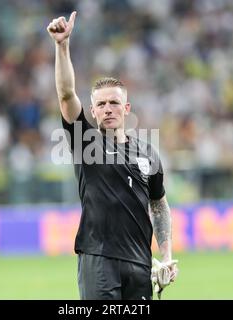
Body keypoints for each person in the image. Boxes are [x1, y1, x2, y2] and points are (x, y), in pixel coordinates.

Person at [47, 11, 178, 300]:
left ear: (126, 108)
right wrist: (62, 45)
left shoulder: (148, 152)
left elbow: (158, 205)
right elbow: (67, 94)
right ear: (92, 111)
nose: (108, 108)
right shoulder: (85, 141)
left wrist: (166, 257)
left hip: (140, 264)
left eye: (114, 103)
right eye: (101, 104)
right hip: (98, 260)